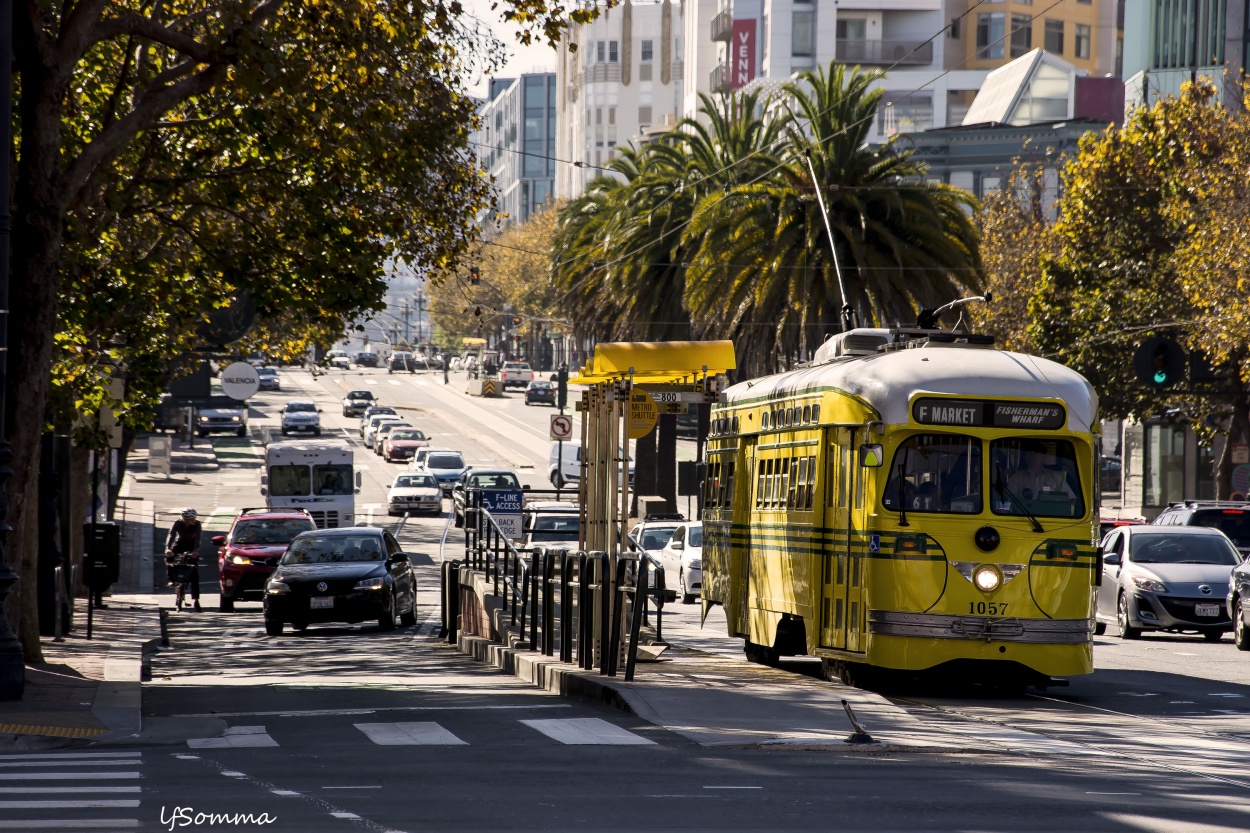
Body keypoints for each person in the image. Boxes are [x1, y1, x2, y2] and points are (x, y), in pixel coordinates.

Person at [165, 507, 202, 611]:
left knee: (194, 571)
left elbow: (198, 539)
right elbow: (171, 535)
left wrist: (195, 551)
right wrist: (168, 549)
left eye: (194, 518)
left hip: (192, 545)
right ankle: (171, 578)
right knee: (169, 555)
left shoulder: (197, 524)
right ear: (185, 519)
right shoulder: (178, 523)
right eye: (191, 519)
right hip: (180, 543)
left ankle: (196, 600)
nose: (194, 520)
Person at [1006, 450, 1071, 501]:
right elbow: (1006, 498)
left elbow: (1071, 499)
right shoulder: (1018, 477)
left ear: (1043, 457)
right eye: (1030, 455)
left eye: (1035, 456)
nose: (1032, 459)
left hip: (1050, 516)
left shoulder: (1056, 477)